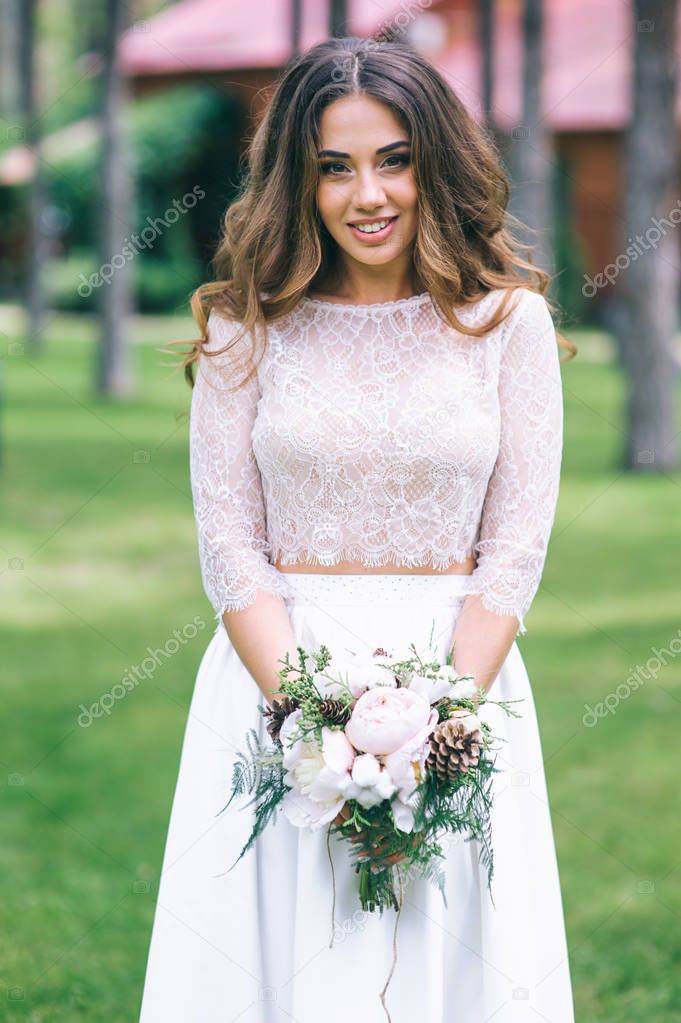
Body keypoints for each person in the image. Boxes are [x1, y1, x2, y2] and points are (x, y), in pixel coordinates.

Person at [138, 35, 577, 1023]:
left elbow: (514, 551)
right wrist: (310, 716)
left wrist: (439, 724)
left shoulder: (506, 327)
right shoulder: (241, 328)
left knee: (444, 958)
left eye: (394, 159)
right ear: (298, 182)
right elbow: (230, 549)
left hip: (458, 686)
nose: (366, 194)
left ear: (437, 162)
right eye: (333, 167)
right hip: (276, 687)